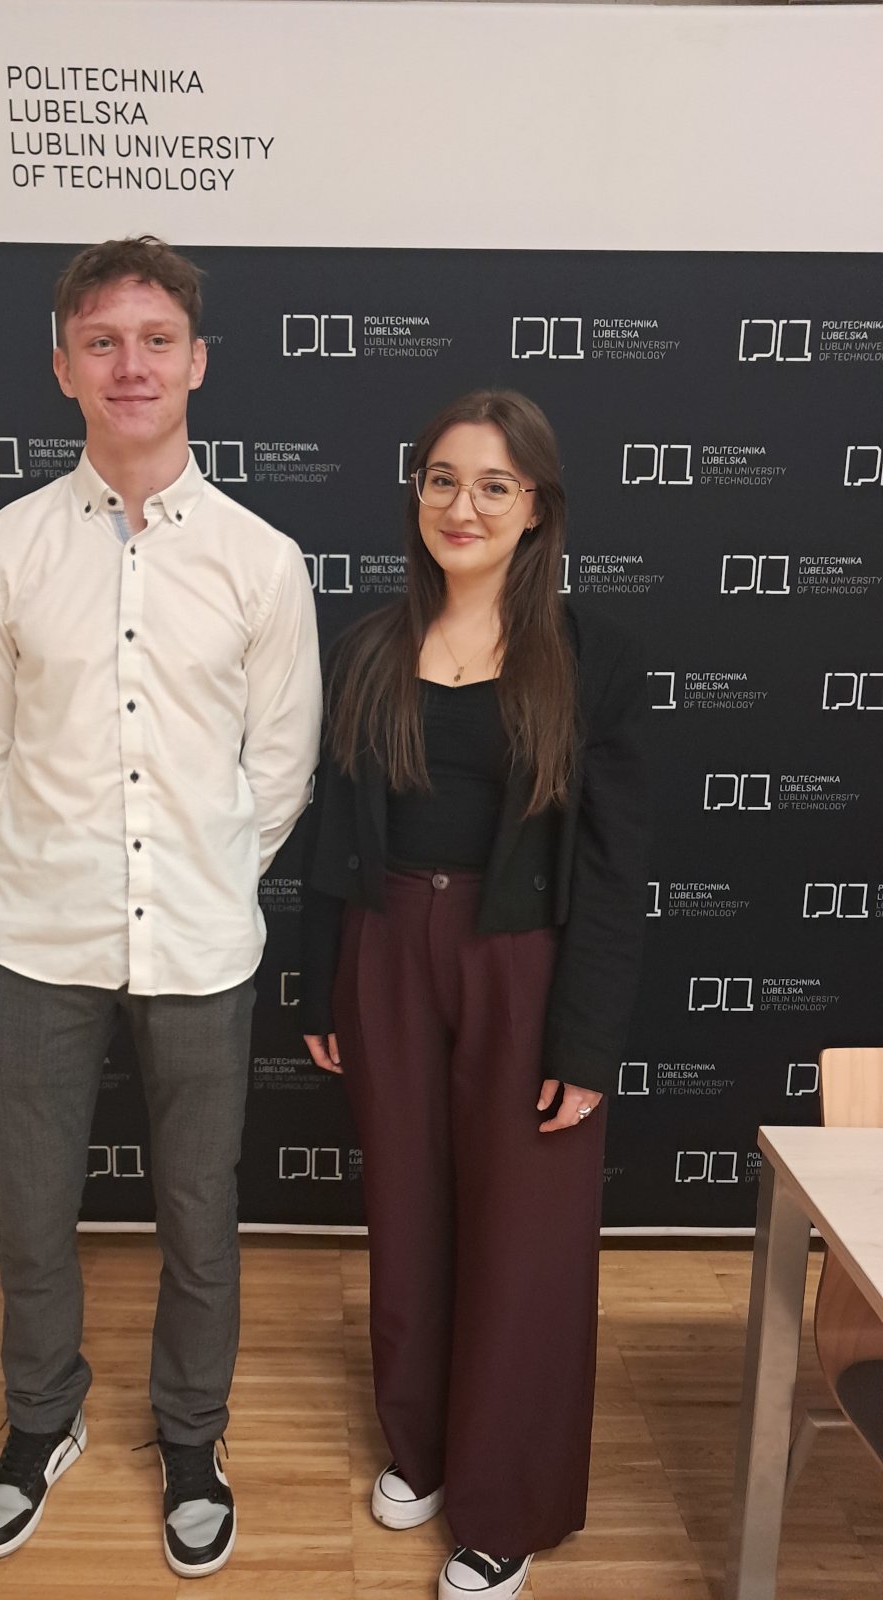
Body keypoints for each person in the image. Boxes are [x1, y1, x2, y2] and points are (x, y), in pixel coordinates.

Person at [0, 235, 321, 1577]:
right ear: (63, 367)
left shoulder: (261, 562)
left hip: (204, 943)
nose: (131, 365)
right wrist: (66, 864)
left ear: (197, 362)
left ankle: (191, 1437)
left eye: (156, 339)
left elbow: (278, 770)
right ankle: (41, 1420)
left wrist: (194, 870)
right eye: (101, 341)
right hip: (36, 937)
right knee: (33, 1209)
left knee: (199, 1214)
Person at [300, 390, 647, 1600]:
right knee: (406, 1210)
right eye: (444, 479)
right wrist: (322, 985)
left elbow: (614, 866)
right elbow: (333, 830)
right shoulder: (368, 645)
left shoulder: (592, 656)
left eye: (495, 485)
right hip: (386, 948)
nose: (464, 505)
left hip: (523, 961)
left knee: (526, 1239)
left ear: (536, 507)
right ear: (417, 493)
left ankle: (506, 1506)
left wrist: (586, 1042)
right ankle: (425, 1448)